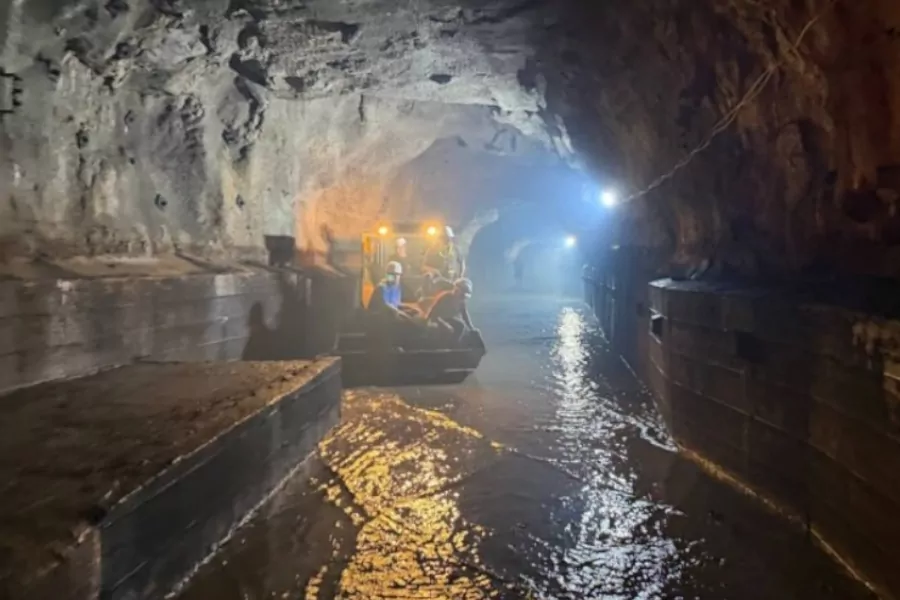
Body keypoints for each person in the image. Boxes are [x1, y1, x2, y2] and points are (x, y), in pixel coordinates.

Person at [427, 278, 475, 342]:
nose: (463, 297)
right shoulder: (446, 297)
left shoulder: (461, 302)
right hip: (436, 319)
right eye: (462, 293)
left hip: (448, 320)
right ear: (456, 290)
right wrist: (444, 324)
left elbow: (465, 316)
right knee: (448, 329)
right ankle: (444, 345)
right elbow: (434, 313)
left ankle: (454, 344)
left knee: (460, 326)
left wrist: (471, 328)